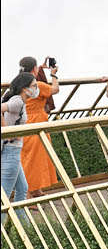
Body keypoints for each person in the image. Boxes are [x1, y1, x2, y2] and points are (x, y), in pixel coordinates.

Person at [20, 57, 60, 198]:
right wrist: (54, 74)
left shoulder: (20, 83)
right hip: (37, 123)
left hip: (25, 122)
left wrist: (42, 68)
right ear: (34, 69)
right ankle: (28, 194)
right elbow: (55, 89)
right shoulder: (37, 86)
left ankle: (36, 189)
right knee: (33, 159)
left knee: (33, 157)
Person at [1, 72, 35, 215]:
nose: (36, 89)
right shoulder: (17, 101)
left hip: (13, 150)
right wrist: (7, 132)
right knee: (5, 198)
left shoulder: (19, 100)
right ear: (24, 88)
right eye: (34, 86)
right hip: (11, 151)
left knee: (22, 189)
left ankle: (23, 229)